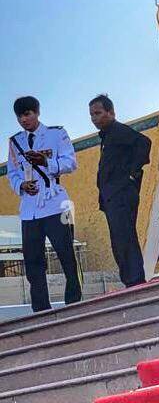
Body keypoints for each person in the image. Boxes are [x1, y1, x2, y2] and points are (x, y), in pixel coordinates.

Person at [6, 96, 82, 313]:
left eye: (28, 114)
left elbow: (71, 163)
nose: (24, 120)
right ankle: (41, 308)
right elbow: (12, 173)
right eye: (20, 116)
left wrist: (46, 162)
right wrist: (21, 185)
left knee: (66, 253)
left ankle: (74, 302)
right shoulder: (15, 142)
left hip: (55, 202)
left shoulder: (56, 134)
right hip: (29, 208)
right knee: (33, 260)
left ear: (37, 112)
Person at [89, 94, 151, 288]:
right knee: (118, 238)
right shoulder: (107, 136)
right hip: (111, 197)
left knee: (124, 236)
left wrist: (132, 175)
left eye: (98, 113)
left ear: (111, 112)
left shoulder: (118, 130)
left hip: (122, 193)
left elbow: (144, 143)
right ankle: (129, 279)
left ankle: (135, 279)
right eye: (91, 115)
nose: (94, 118)